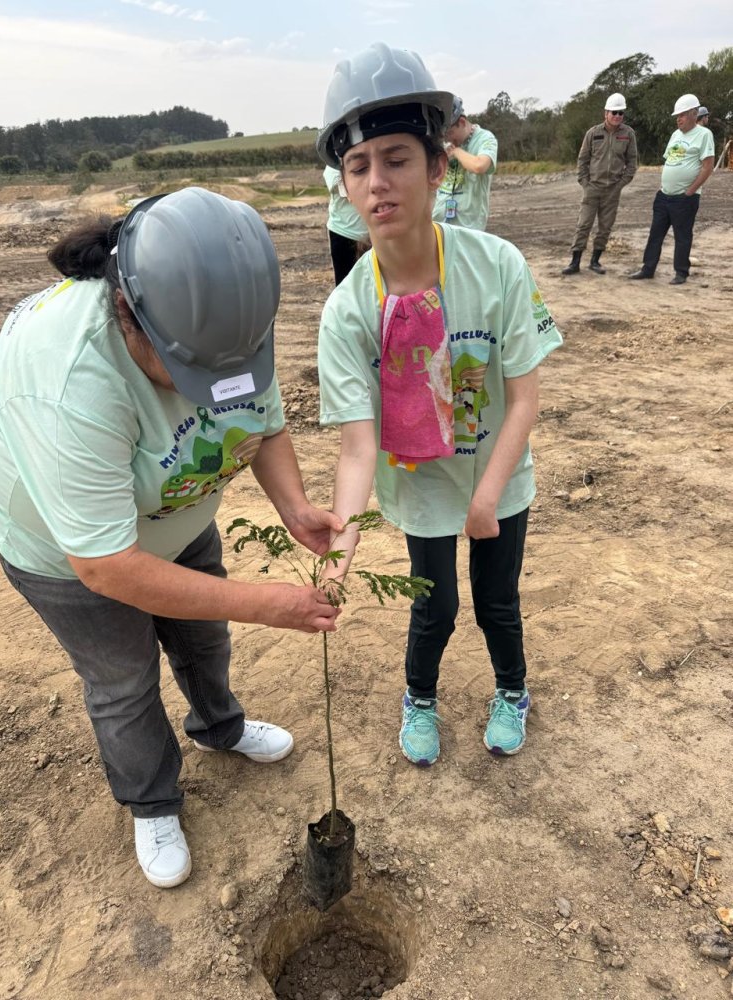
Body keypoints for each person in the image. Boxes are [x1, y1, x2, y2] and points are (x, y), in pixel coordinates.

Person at [0, 187, 343, 888]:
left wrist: (294, 507)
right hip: (68, 553)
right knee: (123, 682)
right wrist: (266, 603)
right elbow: (107, 566)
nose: (207, 393)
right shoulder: (68, 378)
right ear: (128, 313)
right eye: (191, 377)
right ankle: (151, 800)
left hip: (174, 513)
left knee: (205, 635)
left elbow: (264, 423)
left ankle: (221, 727)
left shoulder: (226, 324)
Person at [315, 43, 562, 768]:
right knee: (436, 607)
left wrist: (486, 495)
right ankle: (419, 699)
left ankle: (511, 690)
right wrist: (340, 555)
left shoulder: (498, 267)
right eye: (358, 167)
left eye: (396, 158)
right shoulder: (348, 311)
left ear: (436, 167)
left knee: (496, 603)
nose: (377, 183)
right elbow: (359, 446)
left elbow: (523, 397)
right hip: (420, 485)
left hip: (497, 479)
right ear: (344, 186)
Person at [629, 94, 714, 285]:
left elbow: (708, 166)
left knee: (682, 236)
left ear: (694, 113)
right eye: (677, 116)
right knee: (655, 234)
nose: (678, 119)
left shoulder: (704, 135)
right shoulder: (675, 135)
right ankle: (647, 269)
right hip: (664, 196)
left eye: (682, 115)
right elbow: (670, 160)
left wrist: (690, 191)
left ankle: (681, 273)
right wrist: (663, 187)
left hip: (685, 198)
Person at [562, 93, 638, 275]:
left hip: (613, 189)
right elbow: (583, 160)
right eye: (614, 112)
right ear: (606, 113)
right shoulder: (593, 133)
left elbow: (632, 161)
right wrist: (584, 182)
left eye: (621, 113)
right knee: (584, 224)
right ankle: (575, 262)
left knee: (605, 227)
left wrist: (621, 184)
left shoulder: (628, 134)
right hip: (592, 187)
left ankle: (595, 261)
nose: (618, 116)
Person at [431, 95, 498, 231]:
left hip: (469, 229)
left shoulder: (485, 139)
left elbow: (479, 166)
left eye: (450, 133)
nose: (447, 139)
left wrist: (456, 152)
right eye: (444, 136)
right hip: (439, 226)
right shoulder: (444, 143)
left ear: (461, 122)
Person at [324, 164, 370, 285]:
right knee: (345, 283)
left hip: (372, 235)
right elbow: (339, 187)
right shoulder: (333, 162)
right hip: (344, 232)